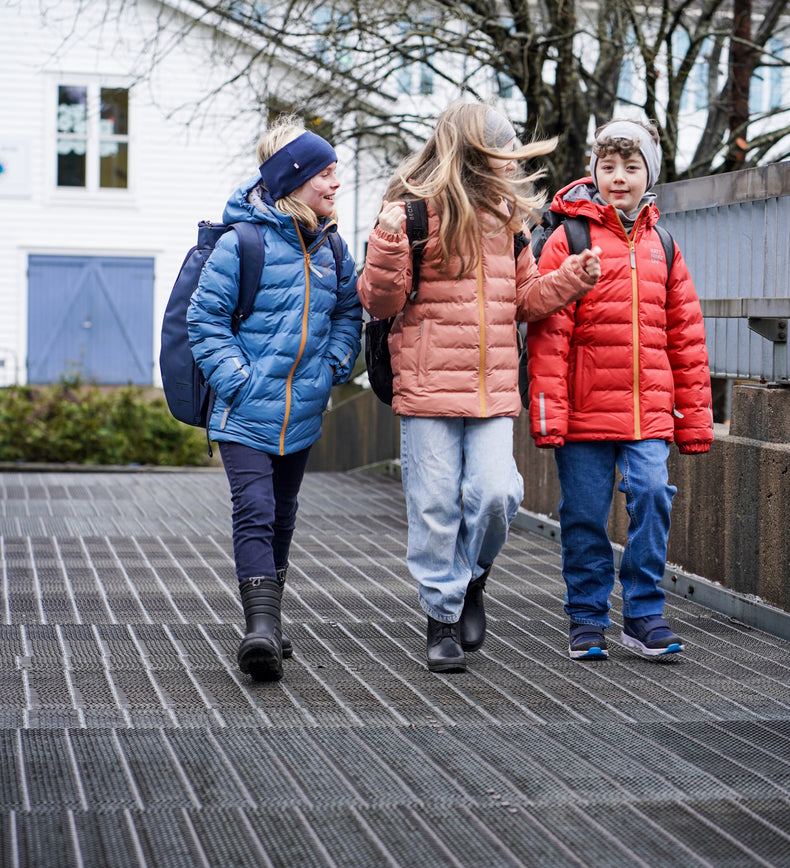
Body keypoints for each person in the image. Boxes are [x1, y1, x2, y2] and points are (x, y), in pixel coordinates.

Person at [357, 100, 601, 674]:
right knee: (435, 503)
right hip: (426, 385)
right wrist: (389, 244)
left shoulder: (509, 223)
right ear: (474, 158)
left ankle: (471, 579)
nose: (513, 167)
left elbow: (524, 300)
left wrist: (570, 279)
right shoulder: (413, 214)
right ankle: (441, 617)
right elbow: (379, 301)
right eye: (503, 156)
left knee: (496, 494)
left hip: (490, 389)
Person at [527, 119, 713, 661]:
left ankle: (643, 612)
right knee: (584, 513)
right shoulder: (570, 237)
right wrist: (547, 413)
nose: (618, 178)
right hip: (584, 412)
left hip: (648, 411)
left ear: (648, 174)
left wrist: (694, 419)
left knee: (653, 495)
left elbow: (687, 336)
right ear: (594, 172)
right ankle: (586, 617)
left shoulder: (664, 244)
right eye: (607, 167)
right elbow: (548, 333)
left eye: (631, 168)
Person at [187, 116, 362, 681]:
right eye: (326, 174)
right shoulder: (244, 243)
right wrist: (238, 381)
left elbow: (347, 313)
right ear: (294, 180)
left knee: (282, 514)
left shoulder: (333, 249)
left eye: (338, 173)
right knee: (256, 508)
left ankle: (271, 622)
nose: (336, 184)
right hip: (243, 411)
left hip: (303, 412)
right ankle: (259, 629)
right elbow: (204, 318)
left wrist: (335, 362)